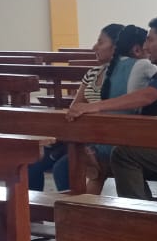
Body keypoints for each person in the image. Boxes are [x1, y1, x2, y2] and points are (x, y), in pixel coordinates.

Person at [68, 15, 157, 200]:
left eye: (150, 40)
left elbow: (147, 96)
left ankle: (140, 213)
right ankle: (143, 209)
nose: (145, 46)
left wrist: (95, 107)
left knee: (123, 156)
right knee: (122, 149)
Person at [28, 23, 123, 192]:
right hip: (80, 134)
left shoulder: (122, 75)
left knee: (62, 169)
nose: (94, 47)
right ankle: (31, 209)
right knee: (32, 163)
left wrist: (88, 111)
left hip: (102, 138)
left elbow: (115, 112)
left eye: (100, 42)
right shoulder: (93, 73)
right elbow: (75, 106)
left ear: (115, 47)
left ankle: (73, 207)